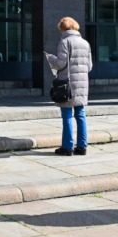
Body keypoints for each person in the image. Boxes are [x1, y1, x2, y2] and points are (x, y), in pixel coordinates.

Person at [45, 17, 93, 156]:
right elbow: (89, 66)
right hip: (82, 84)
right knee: (81, 115)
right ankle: (82, 147)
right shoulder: (85, 43)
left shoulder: (64, 42)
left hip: (68, 85)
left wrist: (51, 59)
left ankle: (67, 147)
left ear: (63, 28)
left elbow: (61, 64)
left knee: (67, 115)